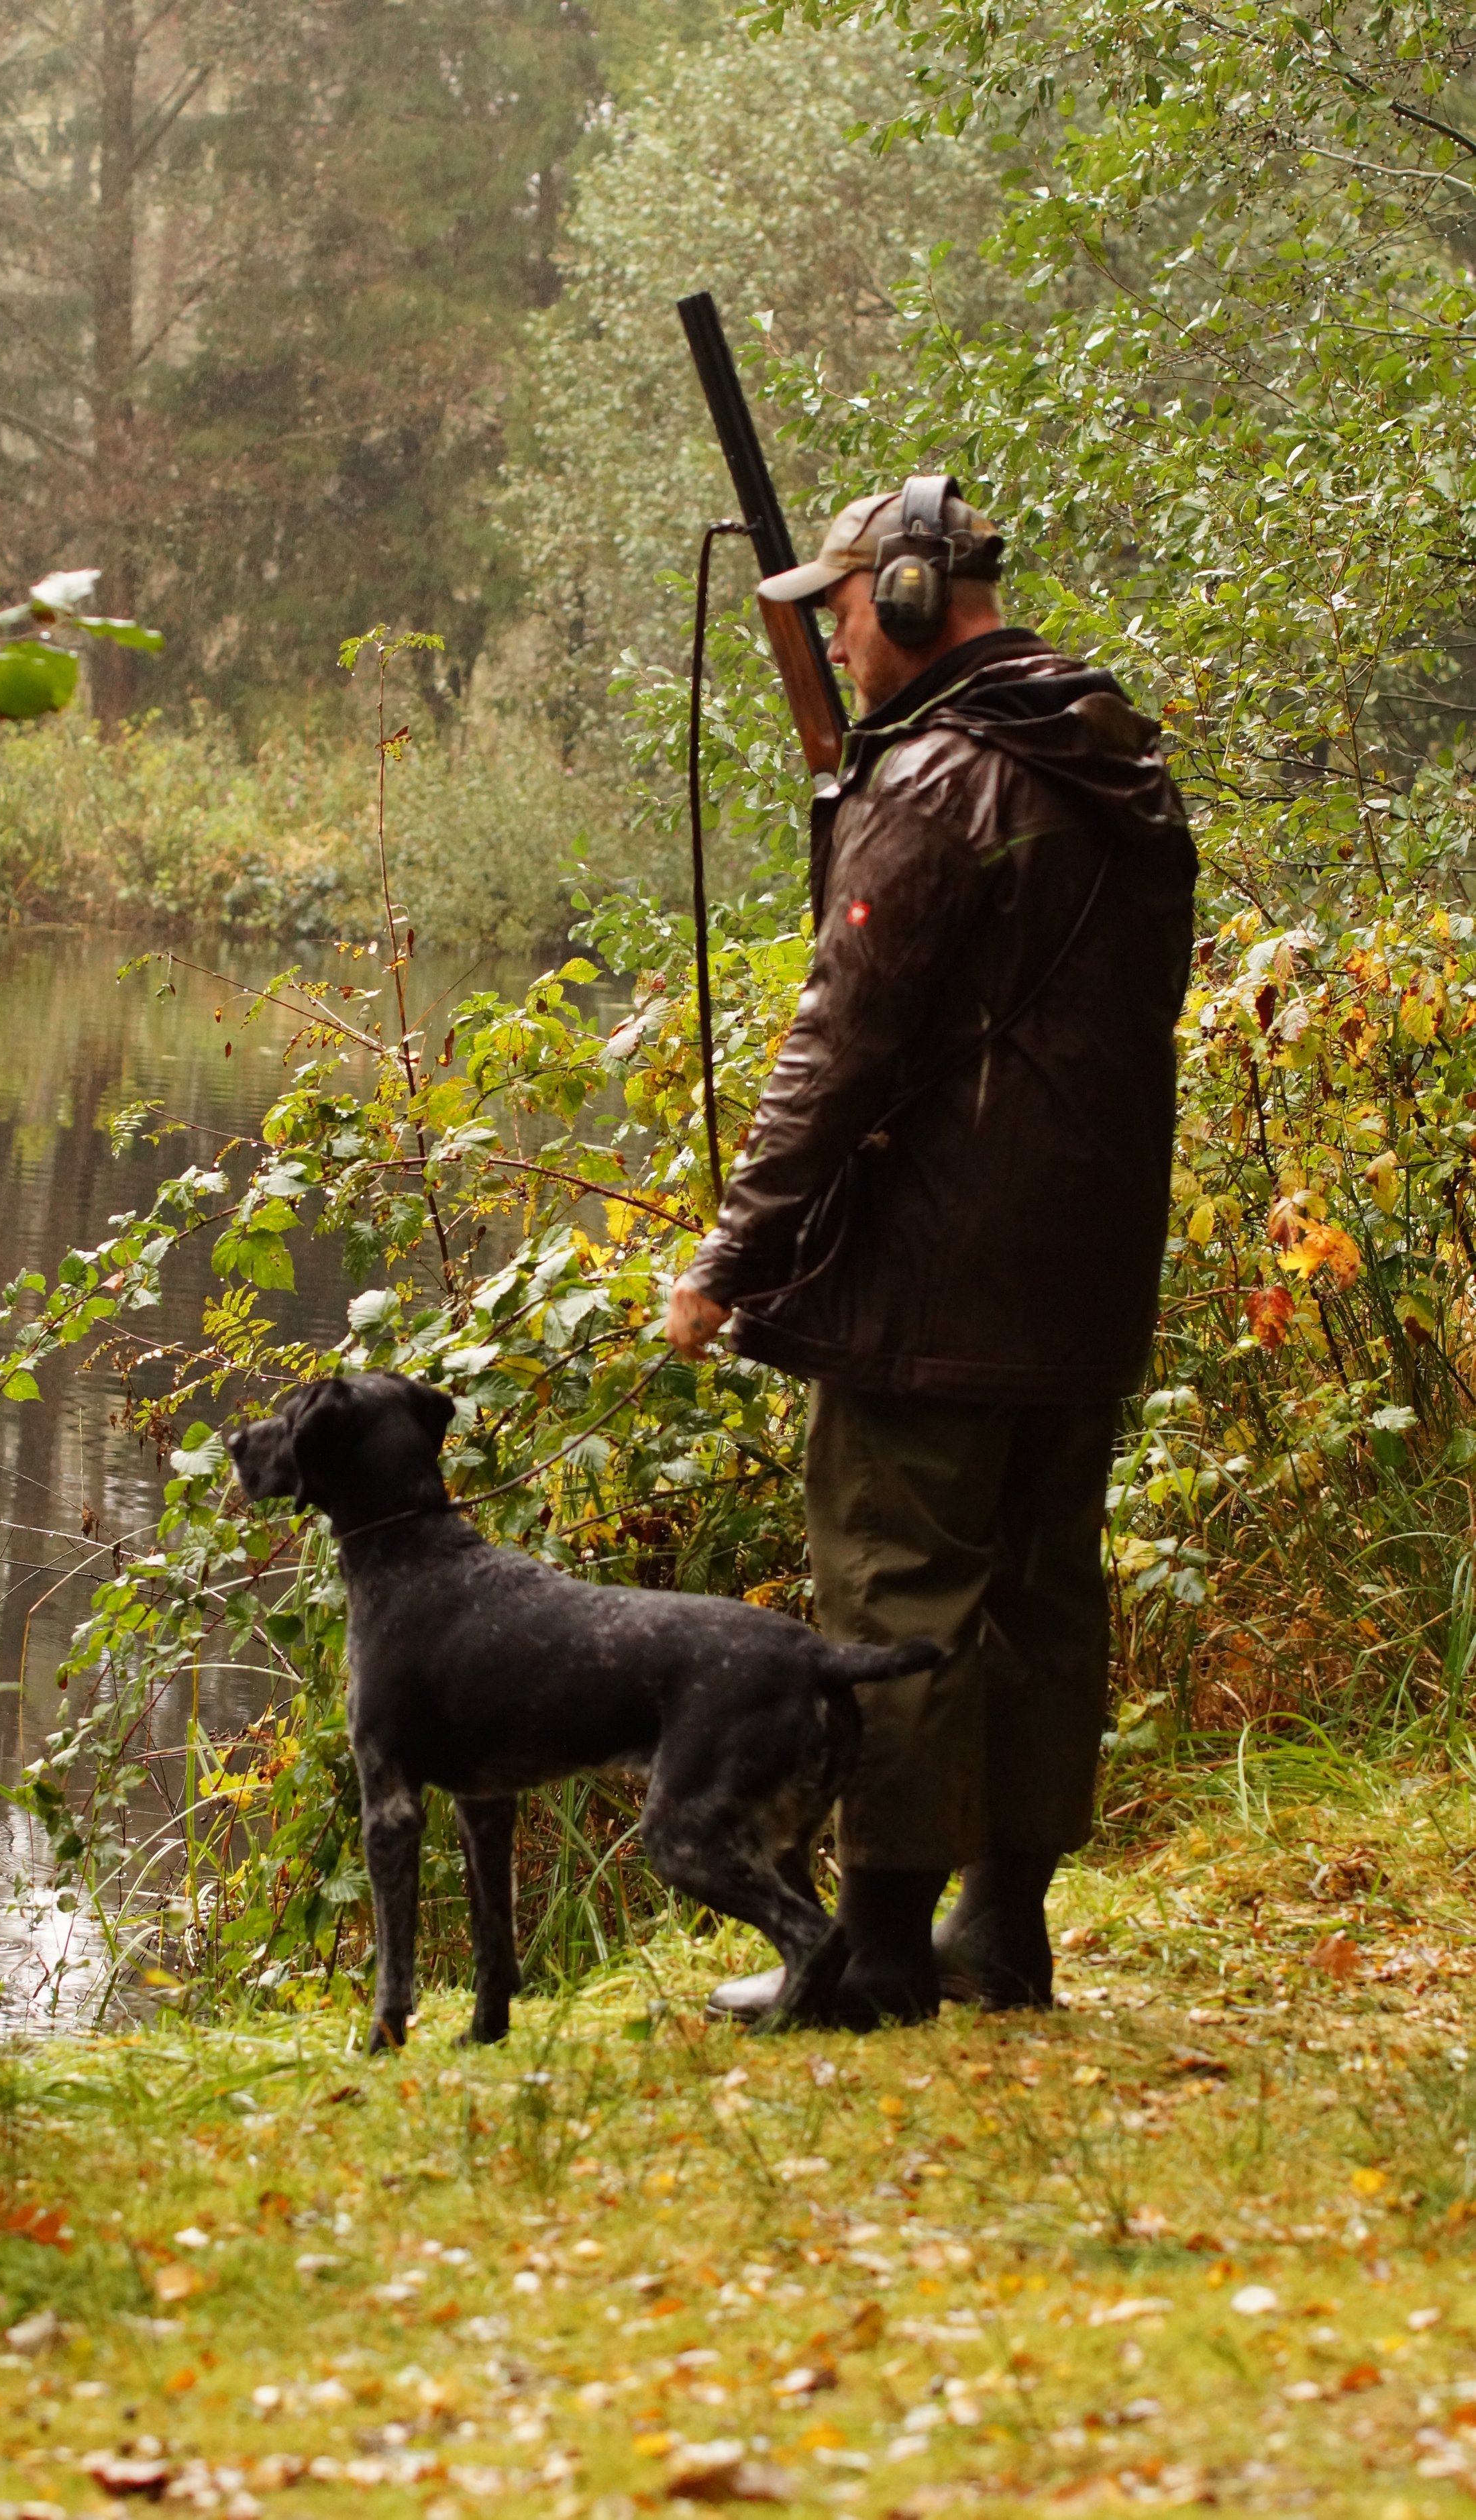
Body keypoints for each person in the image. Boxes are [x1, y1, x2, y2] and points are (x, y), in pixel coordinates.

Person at [662, 476, 1196, 2028]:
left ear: (903, 598)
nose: (834, 640)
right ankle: (1003, 1933)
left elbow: (839, 1044)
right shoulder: (1117, 757)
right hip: (1084, 1266)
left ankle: (879, 1956)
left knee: (894, 1596)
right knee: (1039, 1598)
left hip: (934, 1277)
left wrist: (731, 1256)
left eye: (838, 608)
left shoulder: (939, 776)